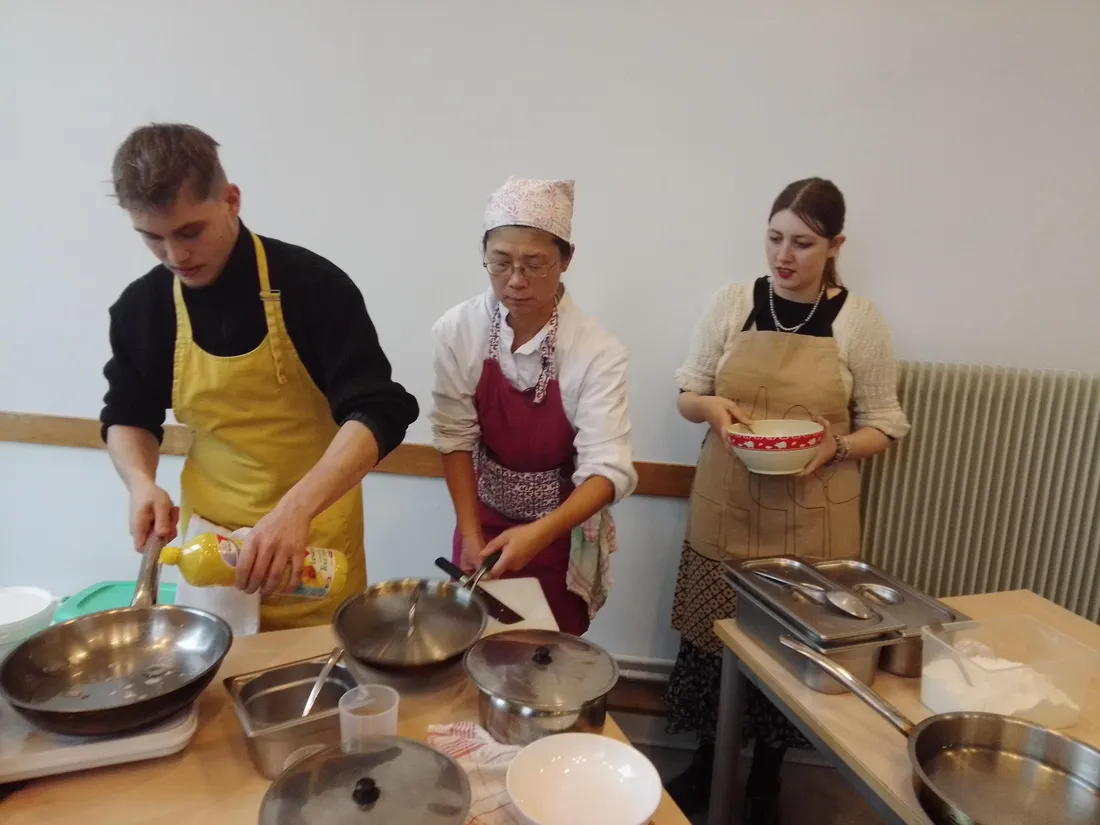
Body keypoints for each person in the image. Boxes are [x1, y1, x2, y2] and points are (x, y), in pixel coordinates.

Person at [100, 123, 418, 630]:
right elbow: (128, 414)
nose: (175, 256)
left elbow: (379, 410)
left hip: (312, 543)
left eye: (190, 232)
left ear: (231, 199)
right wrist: (140, 482)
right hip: (211, 550)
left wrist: (296, 511)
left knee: (315, 672)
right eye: (153, 238)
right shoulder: (144, 308)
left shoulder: (313, 287)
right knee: (218, 666)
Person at [663, 178, 910, 823]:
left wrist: (838, 446)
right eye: (774, 238)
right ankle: (708, 761)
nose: (784, 255)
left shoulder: (858, 321)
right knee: (714, 641)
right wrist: (709, 408)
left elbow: (886, 425)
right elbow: (687, 392)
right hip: (727, 504)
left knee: (793, 648)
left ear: (835, 246)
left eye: (802, 243)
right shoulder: (732, 303)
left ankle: (767, 778)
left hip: (813, 515)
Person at [429, 176, 637, 636]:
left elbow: (608, 470)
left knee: (546, 657)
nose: (516, 281)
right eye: (500, 262)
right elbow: (454, 436)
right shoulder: (458, 330)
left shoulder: (596, 351)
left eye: (535, 264)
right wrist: (470, 533)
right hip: (480, 521)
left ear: (566, 259)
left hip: (558, 533)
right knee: (469, 646)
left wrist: (540, 534)